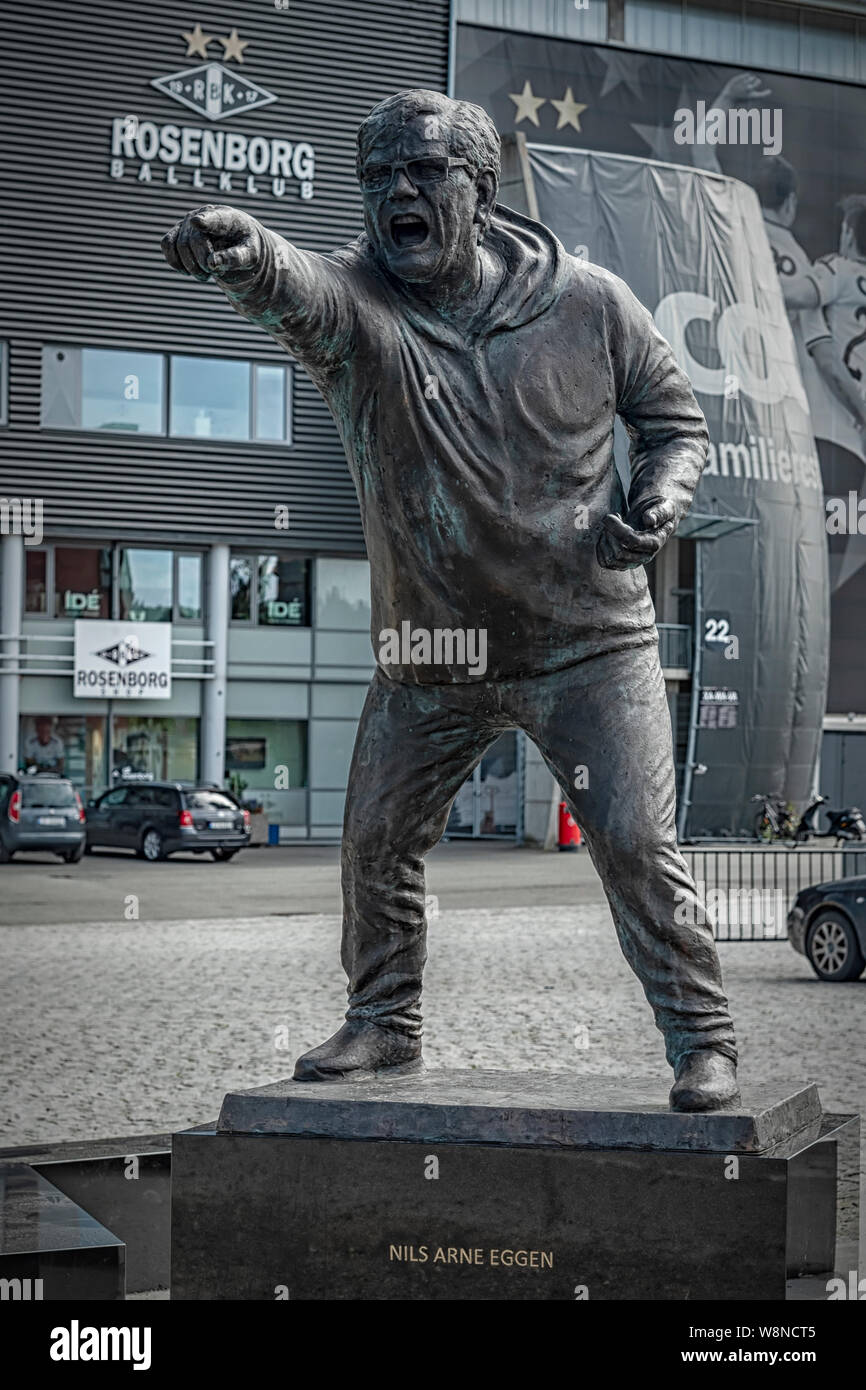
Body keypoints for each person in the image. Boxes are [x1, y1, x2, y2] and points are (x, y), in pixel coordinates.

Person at [162, 89, 739, 1111]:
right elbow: (293, 287)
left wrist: (657, 499)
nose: (398, 194)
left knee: (637, 846)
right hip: (431, 653)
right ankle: (384, 1022)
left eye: (422, 173)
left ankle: (701, 1038)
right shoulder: (357, 303)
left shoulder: (589, 302)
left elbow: (675, 423)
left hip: (587, 642)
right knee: (376, 844)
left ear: (478, 186)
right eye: (379, 177)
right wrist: (245, 250)